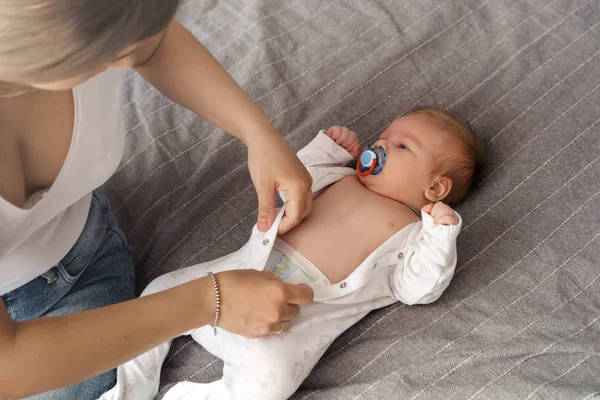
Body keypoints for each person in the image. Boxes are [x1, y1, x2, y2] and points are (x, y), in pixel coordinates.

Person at [0, 1, 315, 399]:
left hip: (86, 255)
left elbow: (154, 43)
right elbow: (7, 366)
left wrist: (257, 134)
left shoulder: (112, 28)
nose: (130, 55)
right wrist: (208, 300)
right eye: (108, 49)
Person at [100, 105, 485, 400]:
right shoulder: (341, 177)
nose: (379, 145)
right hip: (235, 276)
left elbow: (418, 289)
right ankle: (130, 386)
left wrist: (440, 236)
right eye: (382, 136)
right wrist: (328, 149)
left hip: (289, 323)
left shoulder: (415, 234)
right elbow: (292, 179)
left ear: (436, 189)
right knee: (161, 291)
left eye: (402, 146)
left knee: (272, 381)